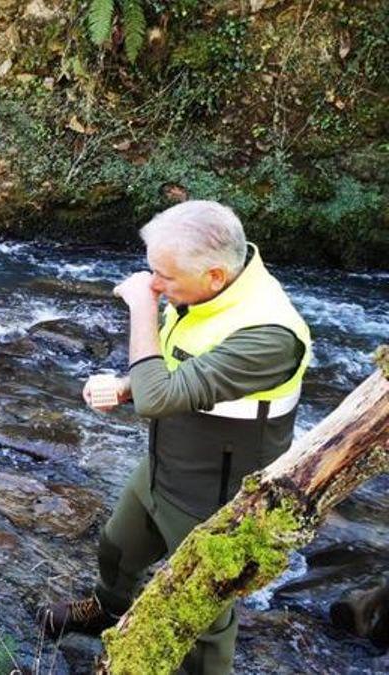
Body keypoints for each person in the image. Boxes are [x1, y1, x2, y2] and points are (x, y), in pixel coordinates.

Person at [42, 200, 311, 674]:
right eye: (151, 274)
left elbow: (159, 398)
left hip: (221, 494)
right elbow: (177, 377)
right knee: (116, 546)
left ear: (213, 275)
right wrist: (127, 388)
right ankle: (106, 610)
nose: (153, 284)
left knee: (201, 612)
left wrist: (142, 311)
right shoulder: (203, 294)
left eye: (162, 276)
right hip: (165, 463)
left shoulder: (270, 334)